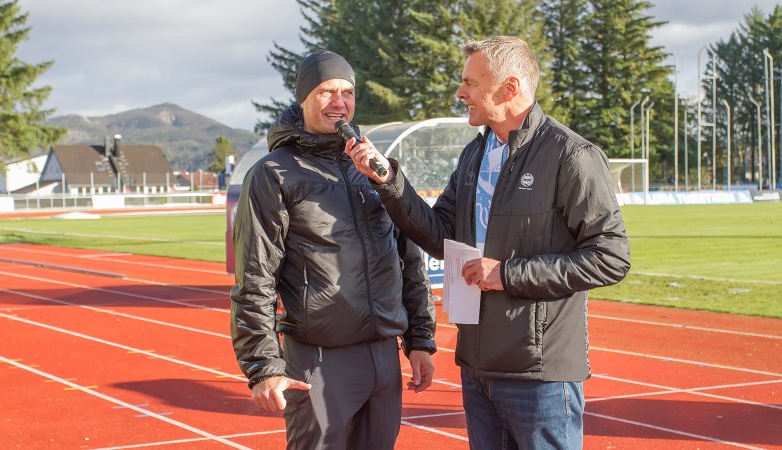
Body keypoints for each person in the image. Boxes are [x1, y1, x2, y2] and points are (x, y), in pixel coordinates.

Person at [346, 36, 631, 449]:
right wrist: (388, 181)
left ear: (509, 88)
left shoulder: (570, 155)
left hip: (540, 374)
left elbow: (611, 256)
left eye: (470, 83)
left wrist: (508, 274)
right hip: (478, 367)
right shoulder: (473, 156)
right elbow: (439, 235)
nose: (460, 93)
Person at [230, 50, 437, 450]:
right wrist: (263, 366)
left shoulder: (376, 169)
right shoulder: (273, 174)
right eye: (326, 91)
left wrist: (420, 341)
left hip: (383, 357)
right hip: (320, 360)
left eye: (348, 92)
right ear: (304, 98)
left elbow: (409, 262)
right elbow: (255, 277)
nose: (339, 102)